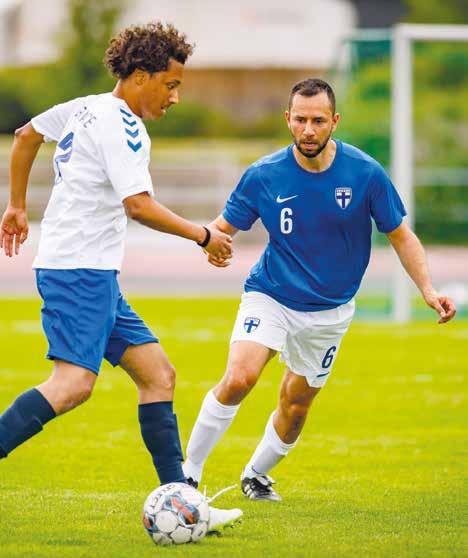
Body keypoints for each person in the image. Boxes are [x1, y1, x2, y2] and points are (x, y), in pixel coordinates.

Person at [0, 22, 241, 528]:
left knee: (158, 375)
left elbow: (26, 135)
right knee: (72, 385)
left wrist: (17, 205)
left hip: (89, 271)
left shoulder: (85, 107)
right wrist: (203, 236)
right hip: (79, 269)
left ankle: (183, 504)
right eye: (170, 84)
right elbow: (138, 205)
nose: (175, 97)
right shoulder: (124, 126)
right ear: (140, 76)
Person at [182, 78, 457, 501]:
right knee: (240, 377)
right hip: (271, 295)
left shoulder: (365, 173)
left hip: (331, 311)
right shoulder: (264, 175)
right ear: (287, 119)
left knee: (296, 406)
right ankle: (187, 476)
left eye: (318, 121)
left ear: (335, 121)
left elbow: (401, 235)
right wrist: (210, 245)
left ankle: (256, 474)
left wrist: (427, 289)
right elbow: (222, 228)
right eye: (300, 120)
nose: (308, 130)